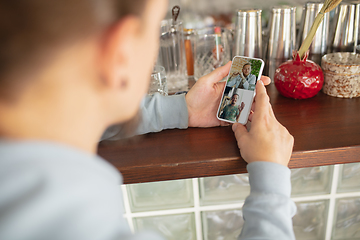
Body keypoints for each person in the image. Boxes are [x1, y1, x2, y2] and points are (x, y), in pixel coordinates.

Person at [0, 1, 295, 240]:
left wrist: (181, 111)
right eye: (154, 31)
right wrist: (271, 180)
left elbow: (60, 116)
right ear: (121, 51)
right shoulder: (80, 226)